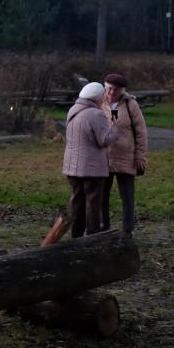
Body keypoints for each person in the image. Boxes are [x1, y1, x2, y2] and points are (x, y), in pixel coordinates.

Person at [63, 82, 122, 238]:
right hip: (91, 169)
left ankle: (76, 235)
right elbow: (105, 139)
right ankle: (92, 236)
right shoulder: (95, 114)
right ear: (98, 97)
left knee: (78, 202)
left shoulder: (73, 110)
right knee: (92, 204)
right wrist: (116, 124)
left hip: (72, 168)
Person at [101, 73, 148, 234]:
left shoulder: (131, 105)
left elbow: (141, 131)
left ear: (122, 90)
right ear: (104, 87)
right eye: (109, 88)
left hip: (126, 157)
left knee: (127, 197)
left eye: (116, 89)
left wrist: (140, 155)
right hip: (104, 157)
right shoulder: (98, 102)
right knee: (102, 196)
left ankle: (127, 231)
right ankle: (103, 229)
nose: (112, 92)